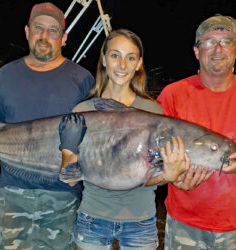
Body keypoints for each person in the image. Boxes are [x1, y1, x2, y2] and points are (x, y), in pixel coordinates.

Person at [59, 29, 190, 250]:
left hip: (140, 220)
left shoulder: (153, 111)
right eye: (115, 55)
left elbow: (158, 172)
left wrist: (169, 175)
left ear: (139, 63)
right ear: (103, 59)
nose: (122, 65)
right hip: (93, 216)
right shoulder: (83, 111)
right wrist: (67, 150)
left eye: (130, 58)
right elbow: (70, 179)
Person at [0, 2, 94, 249]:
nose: (44, 36)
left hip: (62, 196)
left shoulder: (83, 79)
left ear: (64, 38)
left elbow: (91, 139)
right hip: (14, 194)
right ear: (26, 31)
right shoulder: (6, 75)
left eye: (52, 30)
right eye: (38, 28)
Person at [157, 14, 236, 249]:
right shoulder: (172, 94)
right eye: (210, 41)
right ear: (196, 51)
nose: (218, 49)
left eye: (227, 40)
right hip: (185, 225)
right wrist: (171, 177)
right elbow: (150, 152)